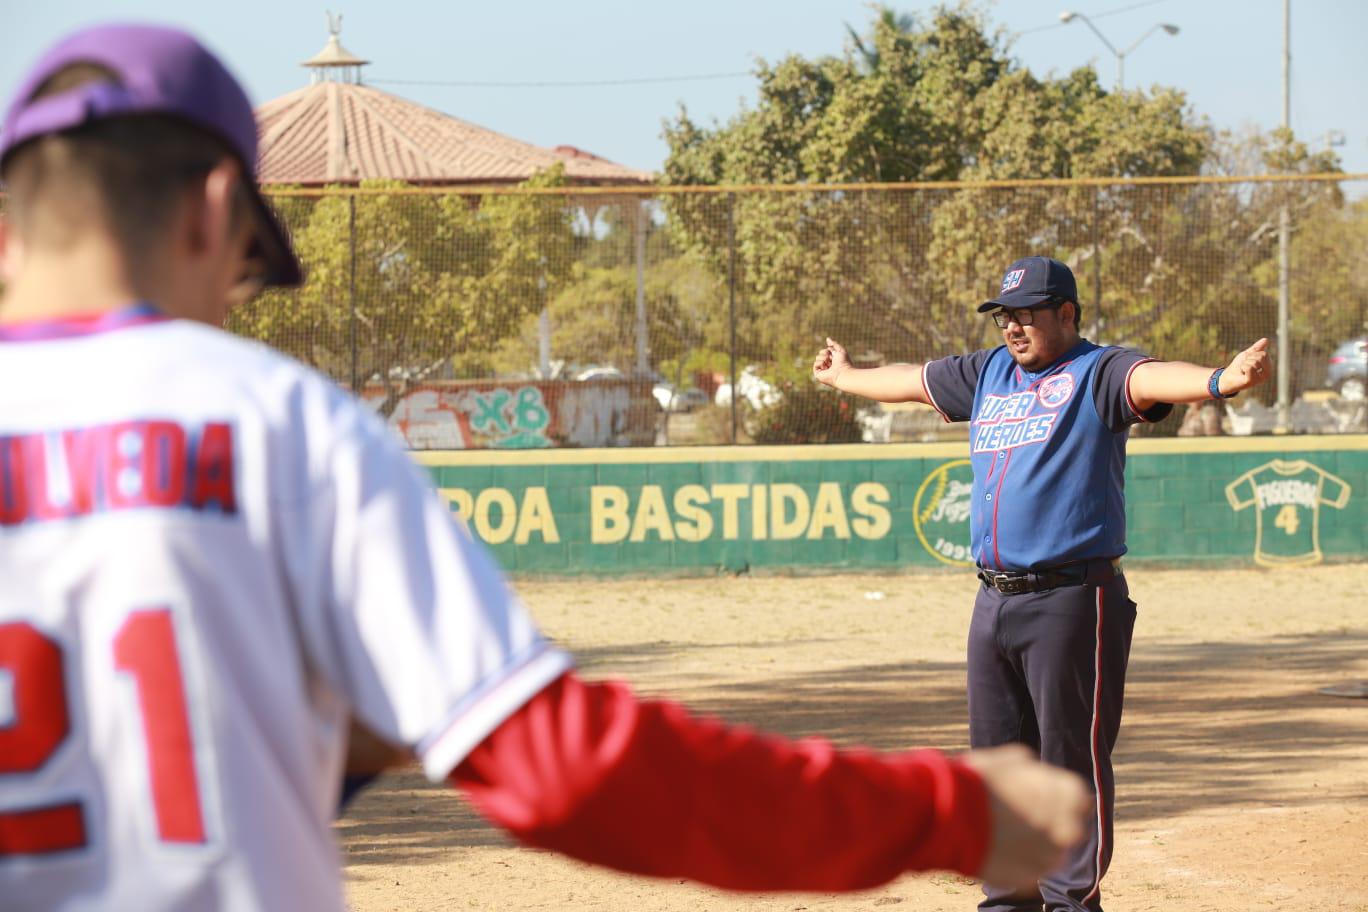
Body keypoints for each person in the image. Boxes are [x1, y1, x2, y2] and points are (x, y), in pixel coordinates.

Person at [0, 25, 1092, 911]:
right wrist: (942, 812)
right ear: (211, 215)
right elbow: (569, 771)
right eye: (245, 271)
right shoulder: (282, 424)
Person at [814, 256, 1271, 912]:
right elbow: (914, 381)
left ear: (1067, 314)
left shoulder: (1099, 370)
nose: (1014, 327)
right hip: (992, 600)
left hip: (1071, 600)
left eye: (1028, 313)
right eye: (1005, 316)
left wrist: (1221, 381)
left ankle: (1070, 901)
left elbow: (1151, 378)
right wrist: (848, 375)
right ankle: (1007, 900)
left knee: (1068, 764)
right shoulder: (989, 372)